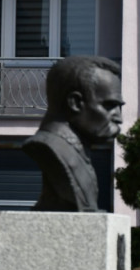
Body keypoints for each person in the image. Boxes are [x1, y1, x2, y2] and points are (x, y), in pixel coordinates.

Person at [22, 55, 124, 211]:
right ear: (75, 103)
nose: (119, 118)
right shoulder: (53, 150)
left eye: (119, 108)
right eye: (109, 105)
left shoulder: (79, 152)